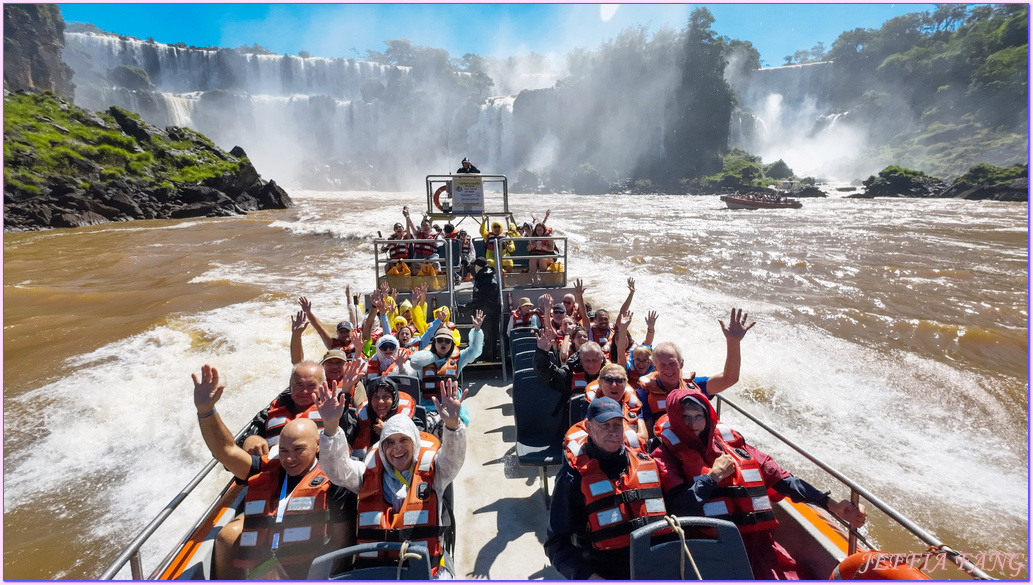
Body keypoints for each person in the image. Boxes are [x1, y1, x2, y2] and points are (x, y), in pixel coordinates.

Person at [653, 386, 867, 579]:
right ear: (675, 418)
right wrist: (713, 478)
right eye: (685, 417)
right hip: (706, 545)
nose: (692, 423)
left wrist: (831, 504)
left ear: (708, 416)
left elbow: (783, 479)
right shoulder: (664, 455)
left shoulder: (731, 445)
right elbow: (678, 509)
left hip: (757, 542)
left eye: (698, 415)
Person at [192, 365, 352, 580]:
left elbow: (342, 542)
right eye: (284, 451)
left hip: (309, 569)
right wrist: (206, 410)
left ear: (317, 446)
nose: (290, 458)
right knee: (227, 537)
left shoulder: (335, 479)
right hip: (266, 565)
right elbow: (226, 450)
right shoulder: (269, 466)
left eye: (299, 450)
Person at [316, 376, 468, 578]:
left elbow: (453, 458)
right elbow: (337, 470)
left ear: (415, 442)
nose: (397, 448)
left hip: (424, 572)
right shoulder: (365, 475)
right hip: (373, 572)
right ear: (382, 447)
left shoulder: (436, 473)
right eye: (389, 442)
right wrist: (331, 426)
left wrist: (452, 426)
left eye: (404, 440)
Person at [544, 397, 669, 580]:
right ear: (589, 427)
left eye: (617, 425)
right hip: (605, 572)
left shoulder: (646, 462)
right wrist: (588, 577)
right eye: (604, 425)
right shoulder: (572, 477)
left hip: (656, 566)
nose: (613, 432)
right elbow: (555, 542)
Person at [636, 308, 756, 431]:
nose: (668, 369)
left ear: (681, 363)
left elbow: (729, 379)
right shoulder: (644, 392)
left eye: (672, 363)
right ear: (655, 367)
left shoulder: (695, 385)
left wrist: (733, 342)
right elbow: (647, 430)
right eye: (663, 365)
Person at [237, 360, 362, 456]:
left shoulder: (334, 407)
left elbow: (349, 435)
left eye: (312, 385)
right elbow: (241, 442)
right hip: (274, 474)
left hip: (319, 475)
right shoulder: (274, 408)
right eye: (299, 385)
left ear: (323, 386)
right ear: (290, 386)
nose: (305, 391)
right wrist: (248, 440)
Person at [408, 311, 484, 426]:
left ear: (452, 344)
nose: (443, 343)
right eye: (439, 340)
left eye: (447, 341)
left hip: (451, 405)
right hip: (427, 406)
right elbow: (414, 361)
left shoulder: (459, 358)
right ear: (434, 343)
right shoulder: (423, 357)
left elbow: (475, 350)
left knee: (453, 429)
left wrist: (477, 330)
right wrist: (435, 356)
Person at [351, 376, 419, 459]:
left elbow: (416, 444)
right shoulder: (359, 420)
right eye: (375, 397)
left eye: (386, 397)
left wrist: (387, 431)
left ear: (394, 399)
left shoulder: (413, 422)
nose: (380, 402)